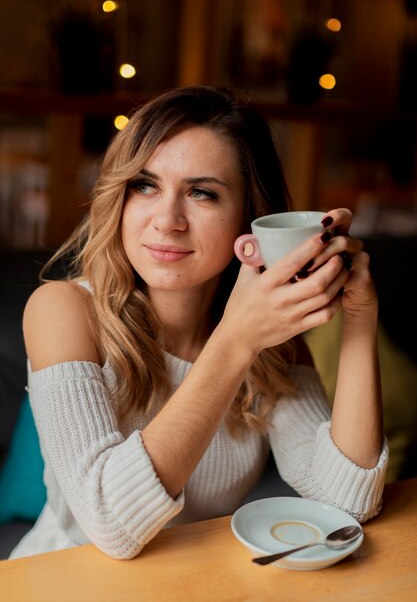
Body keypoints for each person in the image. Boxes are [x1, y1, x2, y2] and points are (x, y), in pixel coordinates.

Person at [10, 86, 388, 560]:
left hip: (193, 584)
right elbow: (107, 522)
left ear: (250, 220)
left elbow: (347, 501)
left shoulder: (270, 341)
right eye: (144, 185)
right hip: (66, 582)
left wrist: (359, 314)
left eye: (202, 193)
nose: (167, 220)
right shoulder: (63, 310)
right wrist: (236, 341)